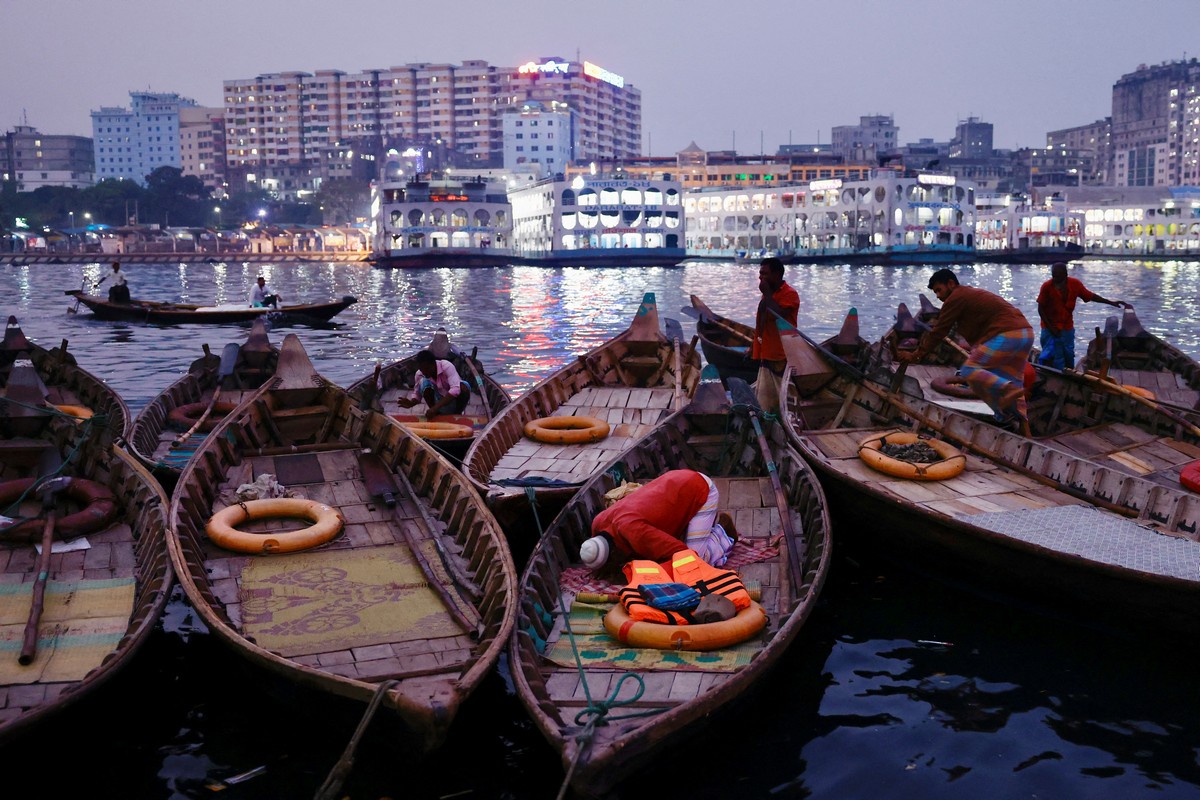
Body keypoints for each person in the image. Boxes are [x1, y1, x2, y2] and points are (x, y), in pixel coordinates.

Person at [899, 269, 1034, 431]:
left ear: (951, 284)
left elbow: (939, 331)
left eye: (939, 290)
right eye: (935, 293)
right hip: (1025, 334)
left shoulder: (955, 297)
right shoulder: (968, 295)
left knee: (970, 371)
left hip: (1008, 335)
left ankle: (1008, 390)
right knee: (1008, 383)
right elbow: (980, 326)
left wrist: (917, 354)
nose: (938, 296)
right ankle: (1022, 429)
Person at [579, 469, 739, 574]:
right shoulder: (598, 522)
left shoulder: (635, 531)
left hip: (700, 489)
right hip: (675, 482)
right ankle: (701, 529)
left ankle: (723, 533)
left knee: (695, 563)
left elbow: (682, 552)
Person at [1036, 262, 1128, 369]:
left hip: (1067, 327)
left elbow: (1091, 296)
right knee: (1054, 356)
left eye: (1058, 277)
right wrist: (1051, 328)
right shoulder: (1047, 286)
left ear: (1065, 275)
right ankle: (1055, 373)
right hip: (1049, 327)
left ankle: (1070, 375)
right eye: (1053, 276)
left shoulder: (1075, 284)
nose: (1055, 279)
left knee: (1069, 354)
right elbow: (1040, 309)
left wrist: (1111, 302)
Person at [751, 256, 800, 413]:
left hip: (782, 355)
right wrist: (754, 346)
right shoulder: (768, 295)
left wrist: (767, 294)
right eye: (760, 274)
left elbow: (777, 315)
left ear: (777, 275)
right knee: (764, 401)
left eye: (765, 274)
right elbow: (762, 323)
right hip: (766, 353)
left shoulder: (789, 294)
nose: (761, 277)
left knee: (785, 399)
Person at [395, 349, 471, 416]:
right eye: (422, 369)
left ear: (433, 364)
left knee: (463, 387)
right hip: (438, 400)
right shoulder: (420, 374)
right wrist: (411, 403)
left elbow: (455, 390)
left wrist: (435, 408)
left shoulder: (446, 366)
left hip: (453, 400)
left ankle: (457, 414)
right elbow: (417, 395)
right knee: (424, 382)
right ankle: (436, 414)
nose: (424, 372)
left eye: (427, 368)